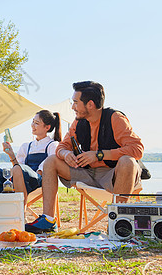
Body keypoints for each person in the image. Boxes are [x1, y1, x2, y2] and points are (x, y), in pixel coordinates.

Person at [25, 81, 144, 234]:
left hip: (113, 175)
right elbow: (61, 147)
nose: (72, 106)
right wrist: (66, 154)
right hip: (87, 174)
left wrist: (99, 155)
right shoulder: (78, 122)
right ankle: (48, 220)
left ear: (90, 104)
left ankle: (118, 222)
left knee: (128, 161)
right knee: (51, 161)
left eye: (75, 102)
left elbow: (137, 149)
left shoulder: (115, 118)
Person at [0, 110, 61, 206]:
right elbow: (17, 168)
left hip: (39, 180)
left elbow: (47, 165)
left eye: (37, 123)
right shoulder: (26, 146)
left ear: (47, 127)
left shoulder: (52, 145)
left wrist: (31, 172)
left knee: (19, 168)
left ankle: (20, 212)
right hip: (22, 177)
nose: (32, 125)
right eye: (33, 122)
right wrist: (11, 154)